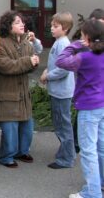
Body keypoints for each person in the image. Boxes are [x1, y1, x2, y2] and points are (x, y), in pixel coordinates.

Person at [56, 19, 104, 198]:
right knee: (101, 147)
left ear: (87, 37)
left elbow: (61, 61)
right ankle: (100, 185)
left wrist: (74, 45)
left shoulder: (83, 58)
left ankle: (92, 193)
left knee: (88, 150)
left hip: (88, 108)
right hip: (102, 105)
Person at [0, 11, 40, 169]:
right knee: (10, 129)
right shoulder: (0, 43)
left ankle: (22, 151)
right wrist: (28, 61)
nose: (22, 24)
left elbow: (30, 65)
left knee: (27, 128)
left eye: (22, 22)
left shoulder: (26, 43)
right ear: (8, 26)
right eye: (17, 22)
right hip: (6, 93)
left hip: (23, 93)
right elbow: (5, 66)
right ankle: (6, 157)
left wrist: (34, 63)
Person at [40, 12, 76, 169]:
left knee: (63, 125)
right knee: (60, 123)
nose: (52, 29)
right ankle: (66, 152)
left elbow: (63, 69)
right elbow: (54, 64)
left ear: (66, 28)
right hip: (58, 91)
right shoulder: (58, 42)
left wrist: (48, 76)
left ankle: (67, 158)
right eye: (51, 26)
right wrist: (46, 71)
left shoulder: (63, 44)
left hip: (62, 92)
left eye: (56, 26)